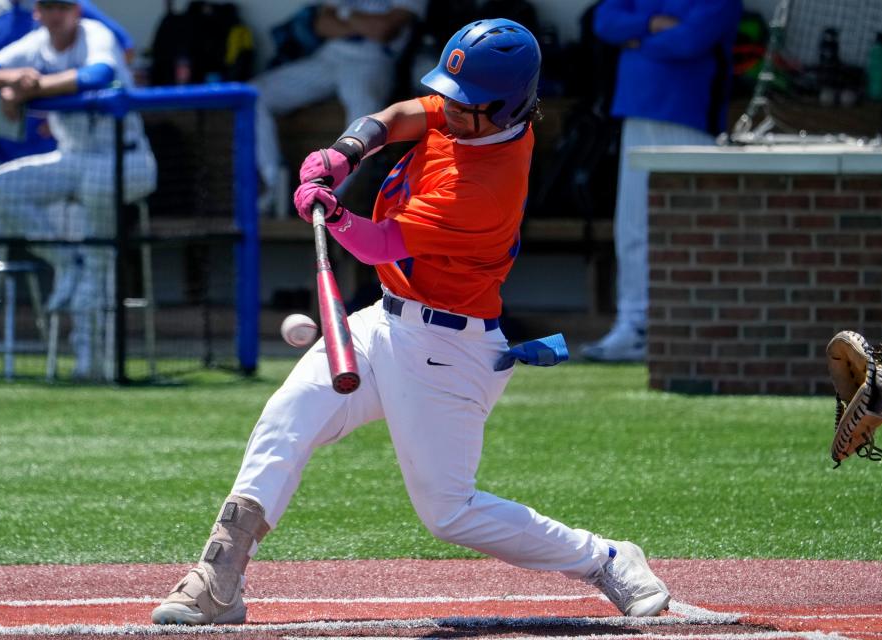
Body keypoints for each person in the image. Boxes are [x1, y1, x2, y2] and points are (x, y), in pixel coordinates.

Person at [150, 19, 670, 626]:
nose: (447, 110)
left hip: (448, 349)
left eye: (464, 104)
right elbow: (402, 114)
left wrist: (332, 211)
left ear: (506, 108)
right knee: (284, 420)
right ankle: (217, 578)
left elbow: (376, 245)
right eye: (448, 95)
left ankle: (606, 557)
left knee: (448, 512)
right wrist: (345, 152)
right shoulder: (471, 108)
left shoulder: (481, 187)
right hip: (382, 322)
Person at [0, 0, 156, 378]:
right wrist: (12, 80)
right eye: (48, 7)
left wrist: (31, 90)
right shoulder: (34, 46)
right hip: (72, 159)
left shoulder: (94, 34)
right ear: (38, 13)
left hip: (124, 161)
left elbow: (99, 73)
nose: (56, 14)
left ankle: (93, 361)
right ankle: (66, 260)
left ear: (76, 11)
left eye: (63, 7)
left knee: (99, 257)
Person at [580, 0, 742, 362]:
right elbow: (605, 21)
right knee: (633, 226)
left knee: (693, 231)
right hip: (636, 113)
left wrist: (636, 42)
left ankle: (694, 326)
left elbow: (689, 42)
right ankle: (633, 325)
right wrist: (654, 23)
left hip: (691, 120)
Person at [253, 0, 427, 218]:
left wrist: (344, 16)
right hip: (329, 56)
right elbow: (321, 24)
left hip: (372, 59)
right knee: (253, 94)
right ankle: (274, 182)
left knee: (366, 118)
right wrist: (363, 23)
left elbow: (383, 30)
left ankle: (331, 198)